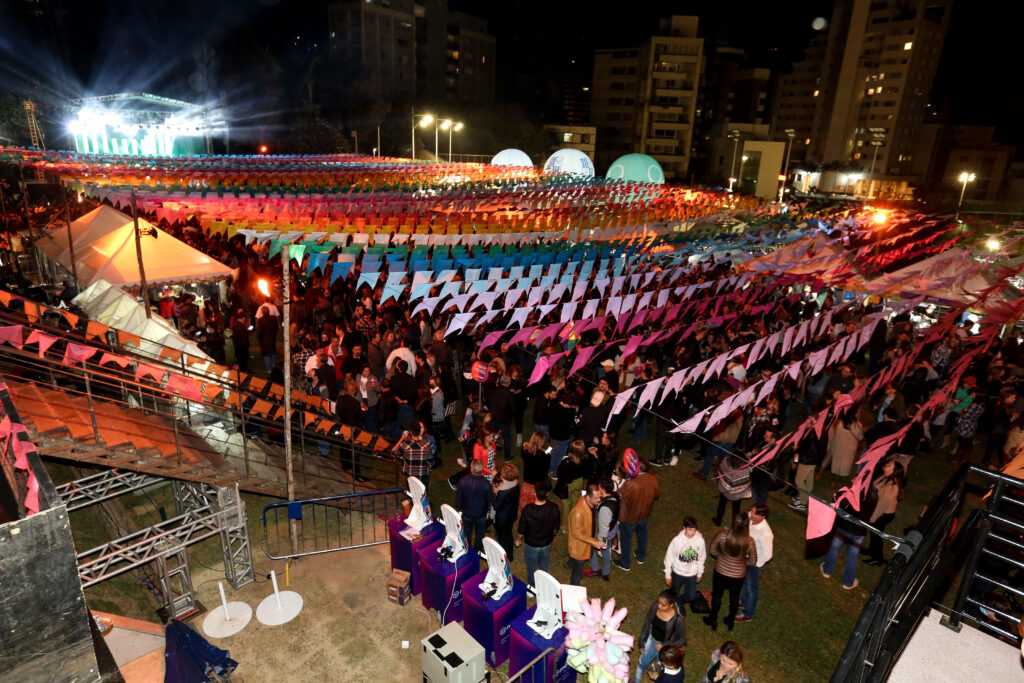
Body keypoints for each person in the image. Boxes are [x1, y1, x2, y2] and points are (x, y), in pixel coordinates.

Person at [704, 513, 757, 631]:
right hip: (738, 575)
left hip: (720, 571)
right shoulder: (750, 541)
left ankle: (713, 619)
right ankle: (730, 621)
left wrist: (721, 558)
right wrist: (741, 563)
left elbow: (712, 550)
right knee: (734, 598)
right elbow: (752, 561)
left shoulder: (723, 534)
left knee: (717, 596)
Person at [821, 482, 878, 590]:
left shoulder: (850, 494)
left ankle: (827, 570)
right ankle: (848, 582)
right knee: (852, 556)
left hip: (843, 528)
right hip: (858, 531)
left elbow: (836, 503)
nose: (853, 479)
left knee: (834, 549)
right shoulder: (874, 496)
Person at [615, 457, 660, 572]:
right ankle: (640, 556)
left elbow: (618, 495)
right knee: (642, 534)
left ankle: (625, 563)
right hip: (644, 514)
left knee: (626, 539)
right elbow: (657, 496)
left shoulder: (631, 483)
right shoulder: (653, 479)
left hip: (629, 517)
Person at [634, 589, 687, 683]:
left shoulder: (677, 620)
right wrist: (641, 643)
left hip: (665, 649)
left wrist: (663, 645)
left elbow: (682, 640)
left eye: (663, 605)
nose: (659, 606)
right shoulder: (655, 607)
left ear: (671, 605)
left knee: (661, 667)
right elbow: (647, 623)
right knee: (642, 663)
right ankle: (635, 681)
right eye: (658, 602)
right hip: (651, 640)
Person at [516, 479, 561, 586]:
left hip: (532, 545)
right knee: (544, 566)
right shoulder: (554, 508)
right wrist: (552, 534)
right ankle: (543, 585)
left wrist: (518, 539)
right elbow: (556, 527)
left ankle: (532, 587)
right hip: (547, 544)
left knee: (531, 568)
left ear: (535, 494)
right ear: (547, 494)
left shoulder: (528, 510)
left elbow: (521, 530)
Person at [863, 459, 906, 566]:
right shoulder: (885, 476)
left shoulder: (891, 486)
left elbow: (882, 505)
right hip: (879, 511)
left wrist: (872, 518)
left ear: (894, 471)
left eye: (889, 465)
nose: (886, 465)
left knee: (876, 535)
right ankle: (871, 550)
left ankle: (878, 559)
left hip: (883, 514)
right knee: (874, 534)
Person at [736, 502, 773, 623]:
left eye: (753, 513)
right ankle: (743, 601)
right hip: (745, 558)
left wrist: (755, 563)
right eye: (751, 511)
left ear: (762, 517)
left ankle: (748, 613)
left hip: (754, 564)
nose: (750, 514)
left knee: (752, 588)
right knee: (745, 581)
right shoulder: (750, 518)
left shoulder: (765, 533)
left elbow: (768, 554)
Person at [664, 516, 707, 612]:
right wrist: (668, 574)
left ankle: (679, 601)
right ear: (684, 528)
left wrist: (700, 572)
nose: (692, 533)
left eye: (694, 530)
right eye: (690, 529)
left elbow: (701, 557)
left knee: (691, 596)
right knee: (674, 592)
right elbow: (669, 557)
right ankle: (669, 607)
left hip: (691, 573)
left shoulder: (699, 540)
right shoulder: (677, 541)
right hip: (678, 572)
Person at [568, 483, 605, 585]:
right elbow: (576, 533)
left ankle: (570, 563)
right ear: (588, 497)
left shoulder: (591, 504)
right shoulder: (578, 512)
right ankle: (574, 591)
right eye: (596, 498)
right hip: (579, 548)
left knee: (579, 562)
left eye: (600, 496)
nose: (599, 500)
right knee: (577, 574)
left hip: (588, 542)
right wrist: (594, 542)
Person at [455, 459, 495, 552]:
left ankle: (467, 547)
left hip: (467, 513)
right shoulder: (486, 483)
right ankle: (477, 549)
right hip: (481, 514)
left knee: (467, 531)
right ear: (481, 470)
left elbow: (458, 499)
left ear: (471, 468)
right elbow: (491, 499)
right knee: (480, 533)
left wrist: (460, 507)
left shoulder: (463, 481)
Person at [585, 476, 619, 581]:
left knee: (592, 549)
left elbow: (603, 529)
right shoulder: (615, 497)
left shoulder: (605, 507)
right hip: (612, 530)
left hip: (605, 534)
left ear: (601, 488)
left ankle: (595, 570)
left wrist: (599, 543)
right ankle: (605, 572)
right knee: (606, 551)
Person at [392, 420, 434, 491]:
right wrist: (428, 470)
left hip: (411, 478)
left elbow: (393, 453)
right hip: (423, 476)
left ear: (410, 432)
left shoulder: (405, 445)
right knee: (423, 494)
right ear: (420, 431)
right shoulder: (427, 445)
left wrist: (402, 438)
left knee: (413, 494)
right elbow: (431, 462)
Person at [713, 453, 751, 527]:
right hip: (737, 494)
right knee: (736, 509)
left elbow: (720, 471)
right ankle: (734, 526)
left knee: (722, 504)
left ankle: (718, 521)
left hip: (724, 489)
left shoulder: (726, 460)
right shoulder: (746, 468)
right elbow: (747, 481)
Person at [492, 462, 521, 561]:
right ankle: (510, 554)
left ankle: (502, 555)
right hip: (512, 514)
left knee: (502, 537)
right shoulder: (516, 483)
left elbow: (496, 506)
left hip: (502, 519)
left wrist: (495, 493)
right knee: (509, 533)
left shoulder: (503, 491)